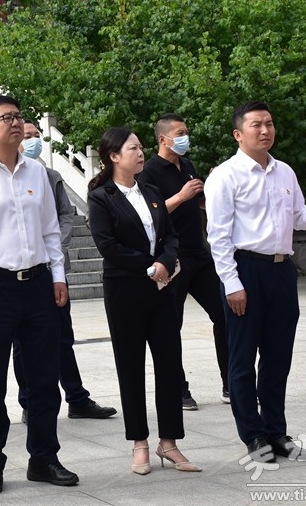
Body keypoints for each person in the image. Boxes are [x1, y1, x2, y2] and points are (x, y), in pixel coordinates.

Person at [0, 96, 78, 496]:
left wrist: (57, 276)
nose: (16, 123)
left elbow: (50, 230)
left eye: (19, 116)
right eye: (7, 118)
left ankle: (44, 458)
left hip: (38, 284)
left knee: (43, 379)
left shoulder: (37, 171)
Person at [204, 100, 306, 462]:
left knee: (278, 357)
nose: (265, 130)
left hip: (281, 271)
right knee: (242, 359)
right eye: (256, 125)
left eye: (269, 124)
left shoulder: (284, 172)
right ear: (238, 134)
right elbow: (218, 236)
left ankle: (277, 432)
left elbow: (301, 217)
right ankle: (254, 436)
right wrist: (232, 283)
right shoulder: (225, 176)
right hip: (246, 270)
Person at [87, 127, 200, 476]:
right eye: (133, 148)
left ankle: (170, 442)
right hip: (125, 291)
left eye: (140, 147)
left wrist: (165, 261)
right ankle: (139, 442)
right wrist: (151, 266)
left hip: (162, 289)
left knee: (168, 362)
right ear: (114, 156)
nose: (140, 153)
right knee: (131, 366)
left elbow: (170, 235)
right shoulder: (101, 197)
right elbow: (108, 246)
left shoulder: (150, 191)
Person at [12, 122, 117, 423]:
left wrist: (54, 249)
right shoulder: (2, 177)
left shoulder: (51, 176)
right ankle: (29, 401)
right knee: (22, 343)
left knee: (62, 337)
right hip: (20, 272)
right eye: (27, 136)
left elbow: (65, 215)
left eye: (36, 136)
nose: (33, 140)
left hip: (54, 269)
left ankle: (77, 398)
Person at [138, 114, 229, 410]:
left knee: (225, 314)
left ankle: (231, 382)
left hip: (199, 254)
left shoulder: (186, 165)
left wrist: (209, 189)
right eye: (179, 133)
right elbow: (148, 214)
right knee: (169, 325)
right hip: (171, 258)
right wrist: (181, 195)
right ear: (163, 139)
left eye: (186, 132)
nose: (185, 137)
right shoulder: (148, 172)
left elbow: (197, 203)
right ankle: (178, 389)